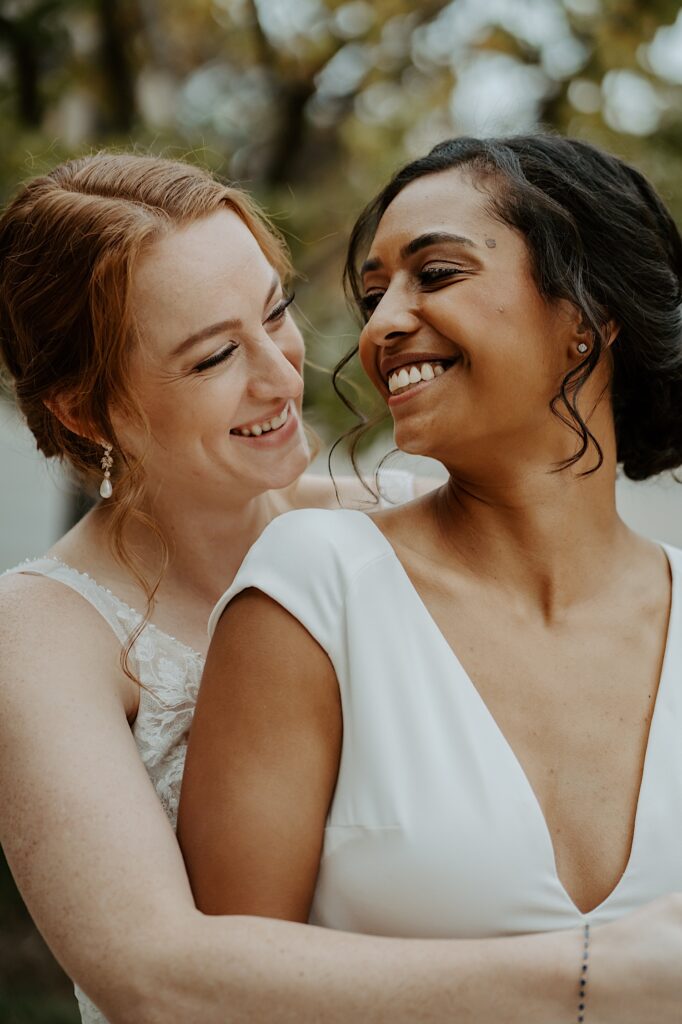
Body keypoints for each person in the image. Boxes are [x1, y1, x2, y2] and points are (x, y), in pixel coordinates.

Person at [178, 134, 682, 1023]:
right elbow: (222, 995)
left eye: (436, 273)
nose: (379, 327)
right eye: (374, 296)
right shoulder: (317, 587)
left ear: (589, 315)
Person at [0, 150, 469, 1024]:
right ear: (84, 408)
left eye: (275, 312)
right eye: (216, 356)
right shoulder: (43, 634)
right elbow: (153, 981)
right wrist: (587, 977)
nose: (282, 375)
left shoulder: (406, 517)